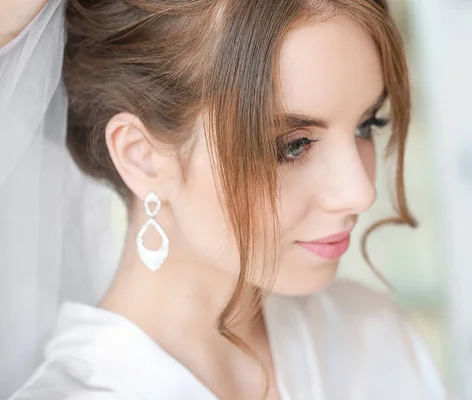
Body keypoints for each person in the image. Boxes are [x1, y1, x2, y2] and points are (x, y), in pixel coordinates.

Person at [1, 0, 446, 398]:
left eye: (366, 125)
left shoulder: (371, 337)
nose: (360, 192)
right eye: (293, 145)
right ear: (143, 158)